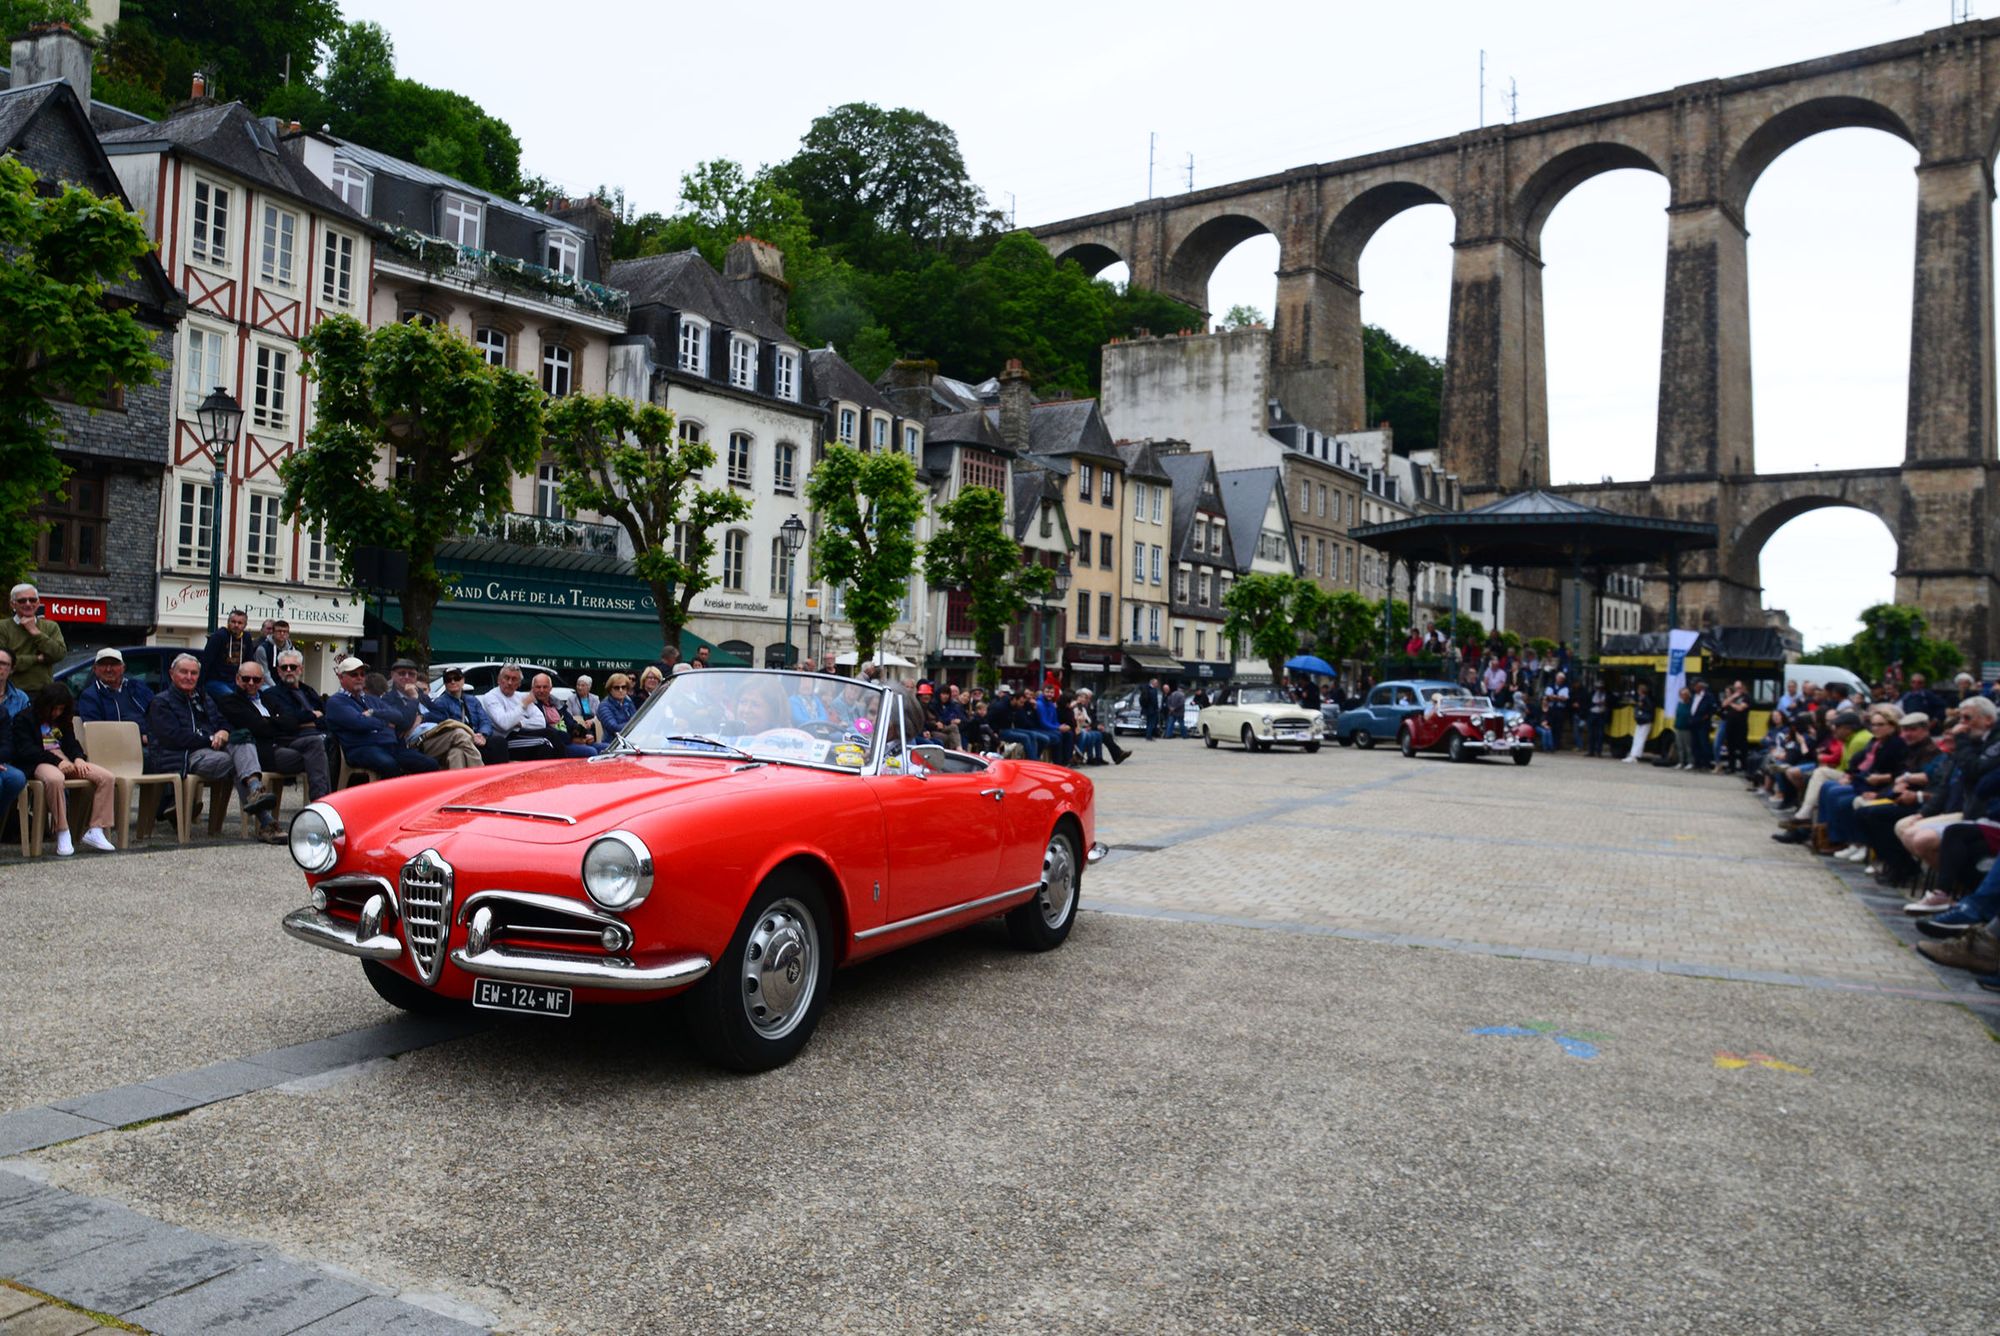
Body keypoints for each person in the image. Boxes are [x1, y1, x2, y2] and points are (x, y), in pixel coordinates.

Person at [148, 652, 280, 820]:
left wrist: (224, 731)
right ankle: (266, 821)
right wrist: (210, 739)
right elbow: (173, 738)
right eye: (183, 672)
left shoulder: (203, 697)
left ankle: (256, 791)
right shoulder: (161, 702)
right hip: (183, 757)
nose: (189, 677)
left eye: (194, 673)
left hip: (212, 754)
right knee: (241, 763)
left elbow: (222, 721)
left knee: (243, 740)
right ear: (171, 674)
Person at [214, 661, 331, 821]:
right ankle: (321, 807)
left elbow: (290, 721)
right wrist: (276, 721)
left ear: (262, 681)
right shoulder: (230, 700)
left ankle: (320, 803)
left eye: (255, 680)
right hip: (263, 752)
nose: (250, 683)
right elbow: (256, 726)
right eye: (246, 679)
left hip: (283, 742)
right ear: (237, 679)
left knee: (316, 743)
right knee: (316, 759)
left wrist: (270, 721)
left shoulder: (267, 698)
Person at [28, 683, 118, 854]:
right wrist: (57, 762)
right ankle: (62, 830)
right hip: (40, 761)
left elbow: (71, 742)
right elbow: (28, 750)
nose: (56, 713)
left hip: (66, 759)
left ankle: (96, 828)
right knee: (55, 779)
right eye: (53, 709)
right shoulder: (25, 718)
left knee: (106, 777)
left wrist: (78, 758)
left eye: (61, 709)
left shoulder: (63, 719)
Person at [324, 657, 441, 779]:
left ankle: (418, 797)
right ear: (341, 677)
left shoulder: (371, 700)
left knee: (430, 764)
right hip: (361, 748)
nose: (359, 678)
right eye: (354, 674)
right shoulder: (336, 701)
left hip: (389, 746)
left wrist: (373, 713)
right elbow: (360, 723)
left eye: (362, 674)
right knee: (389, 765)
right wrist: (385, 721)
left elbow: (399, 717)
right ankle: (394, 797)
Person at [479, 664, 560, 761]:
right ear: (499, 680)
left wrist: (520, 723)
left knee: (552, 733)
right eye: (506, 678)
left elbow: (541, 721)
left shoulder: (520, 696)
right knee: (545, 743)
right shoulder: (491, 697)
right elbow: (504, 724)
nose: (509, 682)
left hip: (520, 733)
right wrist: (523, 705)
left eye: (514, 679)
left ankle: (565, 769)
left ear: (519, 684)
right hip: (504, 740)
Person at [426, 666, 501, 765]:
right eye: (448, 680)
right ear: (445, 684)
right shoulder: (440, 703)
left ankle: (502, 776)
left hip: (478, 736)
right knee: (458, 751)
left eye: (456, 678)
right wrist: (471, 736)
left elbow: (485, 720)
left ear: (463, 680)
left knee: (499, 741)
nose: (453, 682)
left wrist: (483, 734)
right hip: (460, 739)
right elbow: (444, 727)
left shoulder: (472, 700)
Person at [1, 582, 66, 696]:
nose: (28, 604)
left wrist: (35, 632)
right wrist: (37, 659)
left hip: (44, 694)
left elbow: (59, 654)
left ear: (38, 603)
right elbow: (5, 663)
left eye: (32, 600)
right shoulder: (3, 627)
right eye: (22, 600)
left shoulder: (51, 626)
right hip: (11, 694)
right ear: (13, 604)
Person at [75, 647, 154, 738]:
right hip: (117, 746)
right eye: (103, 665)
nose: (108, 669)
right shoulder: (90, 697)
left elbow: (157, 714)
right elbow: (97, 732)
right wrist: (139, 737)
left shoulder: (138, 687)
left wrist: (151, 736)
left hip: (152, 743)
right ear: (95, 669)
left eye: (113, 664)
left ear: (123, 668)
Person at [530, 673, 597, 757]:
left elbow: (571, 722)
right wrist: (571, 739)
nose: (542, 690)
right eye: (538, 687)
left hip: (571, 739)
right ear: (532, 688)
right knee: (591, 752)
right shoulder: (531, 706)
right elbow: (546, 729)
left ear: (550, 688)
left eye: (545, 687)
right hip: (554, 745)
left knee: (604, 748)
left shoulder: (556, 703)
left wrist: (586, 734)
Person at [199, 608, 256, 694]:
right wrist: (200, 685)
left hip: (237, 681)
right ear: (228, 622)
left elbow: (249, 661)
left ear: (245, 625)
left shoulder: (247, 637)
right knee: (231, 697)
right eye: (233, 622)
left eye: (240, 623)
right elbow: (206, 661)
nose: (236, 625)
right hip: (216, 681)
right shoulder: (219, 636)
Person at [1688, 680, 1719, 770]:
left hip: (1703, 723)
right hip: (1693, 723)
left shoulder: (1708, 696)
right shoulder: (1694, 696)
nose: (1694, 687)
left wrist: (1706, 716)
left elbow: (1712, 708)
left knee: (1703, 743)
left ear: (1701, 687)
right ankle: (1697, 762)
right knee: (1695, 743)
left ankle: (1706, 763)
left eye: (1695, 686)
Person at [598, 673, 638, 737]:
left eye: (624, 687)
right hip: (613, 743)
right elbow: (614, 727)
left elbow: (637, 719)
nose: (621, 690)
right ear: (610, 689)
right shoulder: (604, 706)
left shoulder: (628, 702)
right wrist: (633, 724)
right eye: (616, 688)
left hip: (632, 738)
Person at [1625, 683, 1655, 763]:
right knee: (1636, 738)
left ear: (1641, 691)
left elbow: (1650, 708)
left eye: (1639, 690)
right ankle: (1633, 754)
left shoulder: (1646, 698)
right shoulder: (1641, 698)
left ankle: (1635, 756)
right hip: (1641, 721)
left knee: (1640, 739)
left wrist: (1640, 705)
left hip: (1646, 721)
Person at [1672, 686, 1696, 769]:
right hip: (1678, 726)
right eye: (1682, 694)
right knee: (1680, 746)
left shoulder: (1691, 704)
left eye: (1685, 694)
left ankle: (1690, 762)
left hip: (1687, 728)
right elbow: (1677, 714)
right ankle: (1681, 762)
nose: (1683, 696)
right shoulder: (1679, 704)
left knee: (1688, 746)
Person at [1586, 681, 1610, 758]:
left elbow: (1609, 702)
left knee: (1600, 734)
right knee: (1591, 734)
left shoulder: (1606, 694)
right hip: (1593, 714)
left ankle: (1599, 751)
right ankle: (1591, 751)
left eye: (1600, 687)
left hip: (1601, 715)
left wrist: (1604, 704)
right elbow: (1588, 703)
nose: (1599, 689)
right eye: (1597, 687)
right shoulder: (1592, 693)